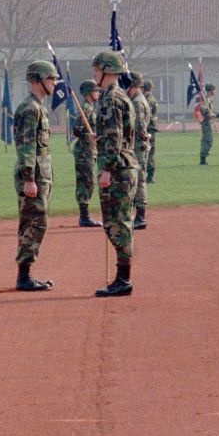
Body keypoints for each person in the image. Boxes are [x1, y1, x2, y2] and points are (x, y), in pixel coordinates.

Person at [92, 49, 138, 297]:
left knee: (117, 224)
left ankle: (123, 280)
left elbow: (114, 138)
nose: (94, 74)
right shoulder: (117, 96)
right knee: (119, 223)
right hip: (124, 165)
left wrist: (107, 169)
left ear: (107, 72)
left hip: (118, 168)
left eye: (97, 70)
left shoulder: (111, 99)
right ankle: (123, 278)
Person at [13, 59, 59, 291]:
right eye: (51, 78)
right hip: (34, 175)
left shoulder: (38, 106)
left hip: (40, 172)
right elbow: (26, 146)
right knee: (35, 222)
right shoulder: (31, 108)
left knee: (33, 221)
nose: (54, 83)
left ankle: (26, 273)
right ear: (39, 80)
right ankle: (24, 276)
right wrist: (29, 178)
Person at [73, 79, 102, 227]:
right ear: (88, 93)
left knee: (89, 182)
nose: (98, 93)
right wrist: (88, 135)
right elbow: (76, 129)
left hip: (90, 149)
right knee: (86, 182)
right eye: (95, 90)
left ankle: (85, 216)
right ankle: (84, 217)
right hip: (84, 151)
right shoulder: (86, 108)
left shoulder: (90, 107)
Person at [127, 74, 152, 228]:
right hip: (137, 145)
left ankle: (141, 216)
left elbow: (139, 126)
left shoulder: (136, 102)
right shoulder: (138, 99)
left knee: (139, 180)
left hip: (137, 146)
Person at [140, 78, 159, 183]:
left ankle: (150, 175)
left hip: (149, 129)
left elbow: (149, 116)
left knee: (149, 152)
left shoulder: (149, 101)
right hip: (146, 128)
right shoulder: (146, 99)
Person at [198, 83, 216, 164]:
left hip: (209, 123)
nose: (214, 93)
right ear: (210, 91)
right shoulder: (206, 99)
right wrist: (208, 114)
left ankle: (203, 158)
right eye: (213, 91)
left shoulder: (209, 99)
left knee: (208, 140)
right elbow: (202, 109)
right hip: (206, 123)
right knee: (207, 140)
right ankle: (203, 159)